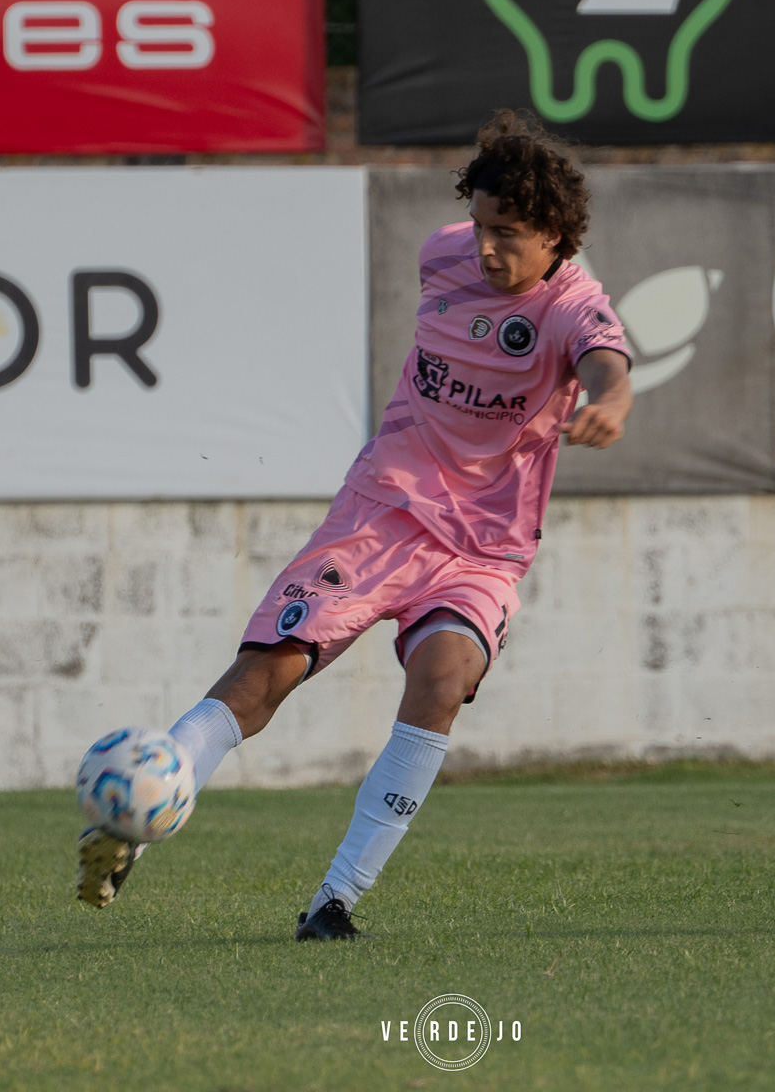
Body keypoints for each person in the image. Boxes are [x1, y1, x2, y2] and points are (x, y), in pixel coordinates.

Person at [77, 110, 634, 939]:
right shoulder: (442, 254)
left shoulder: (572, 305)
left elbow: (605, 361)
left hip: (483, 546)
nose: (485, 248)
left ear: (556, 233)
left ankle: (334, 902)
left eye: (508, 234)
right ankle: (137, 822)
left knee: (442, 682)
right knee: (266, 674)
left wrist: (611, 399)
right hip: (381, 511)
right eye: (481, 225)